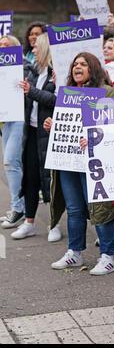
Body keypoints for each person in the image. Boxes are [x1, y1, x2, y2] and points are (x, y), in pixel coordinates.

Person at [50, 52, 114, 275]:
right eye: (75, 64)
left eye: (83, 64)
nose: (78, 67)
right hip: (69, 160)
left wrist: (95, 136)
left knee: (98, 207)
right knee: (74, 208)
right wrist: (52, 125)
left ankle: (109, 256)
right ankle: (75, 252)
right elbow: (64, 123)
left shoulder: (106, 92)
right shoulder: (67, 94)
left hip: (93, 159)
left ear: (93, 68)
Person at [11, 33, 56, 240]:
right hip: (31, 132)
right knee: (30, 178)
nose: (34, 50)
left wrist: (32, 92)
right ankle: (29, 222)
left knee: (52, 180)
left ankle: (54, 224)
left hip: (49, 133)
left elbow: (56, 100)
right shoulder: (32, 72)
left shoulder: (58, 73)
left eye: (37, 47)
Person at [0, 35, 25, 229]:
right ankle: (18, 206)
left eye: (6, 46)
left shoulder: (23, 67)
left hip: (18, 117)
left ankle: (19, 209)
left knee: (11, 161)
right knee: (11, 164)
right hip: (5, 121)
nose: (2, 48)